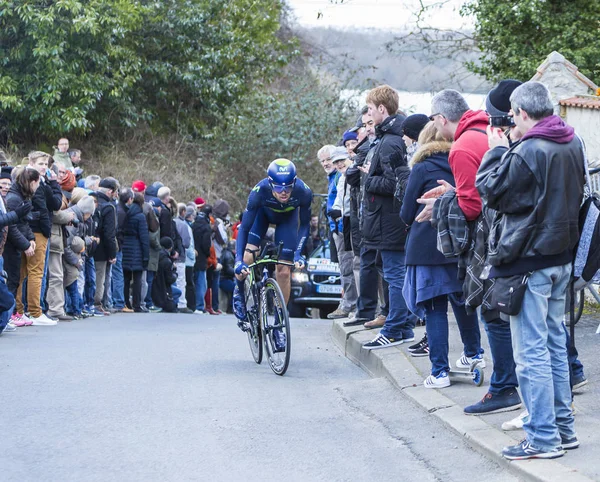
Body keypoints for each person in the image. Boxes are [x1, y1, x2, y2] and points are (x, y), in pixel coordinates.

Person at [477, 81, 584, 460]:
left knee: (532, 353)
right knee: (555, 345)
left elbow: (490, 191)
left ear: (522, 113)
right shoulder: (573, 141)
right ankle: (563, 430)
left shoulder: (526, 150)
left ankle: (542, 438)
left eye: (512, 117)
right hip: (560, 258)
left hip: (528, 262)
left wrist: (496, 150)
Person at [422, 88, 520, 416]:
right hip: (514, 232)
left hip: (492, 240)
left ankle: (505, 386)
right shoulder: (484, 132)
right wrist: (453, 192)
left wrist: (441, 205)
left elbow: (472, 204)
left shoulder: (461, 147)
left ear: (440, 119)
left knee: (493, 313)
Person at [401, 121, 482, 387]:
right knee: (463, 302)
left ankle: (439, 372)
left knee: (435, 307)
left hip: (427, 247)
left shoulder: (421, 168)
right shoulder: (462, 160)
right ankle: (473, 355)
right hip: (460, 243)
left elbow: (405, 213)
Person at [233, 159, 312, 351]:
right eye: (278, 187)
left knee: (284, 271)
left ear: (294, 183)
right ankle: (240, 293)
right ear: (270, 183)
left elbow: (305, 225)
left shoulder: (304, 192)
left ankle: (278, 324)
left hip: (288, 220)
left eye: (288, 187)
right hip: (262, 216)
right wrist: (237, 262)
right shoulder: (258, 192)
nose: (283, 192)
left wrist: (298, 254)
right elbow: (244, 228)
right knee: (248, 258)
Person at [359, 85, 415, 349]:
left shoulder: (391, 140)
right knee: (394, 272)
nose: (368, 114)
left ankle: (394, 328)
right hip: (386, 219)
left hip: (389, 220)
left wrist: (368, 181)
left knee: (395, 274)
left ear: (382, 109)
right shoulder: (390, 136)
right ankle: (402, 328)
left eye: (371, 109)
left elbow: (396, 184)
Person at [4, 167, 42, 325]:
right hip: (10, 246)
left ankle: (12, 313)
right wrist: (25, 244)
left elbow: (23, 222)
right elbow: (11, 226)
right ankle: (9, 315)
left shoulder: (21, 197)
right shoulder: (14, 198)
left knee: (16, 279)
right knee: (11, 279)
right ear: (32, 182)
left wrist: (31, 238)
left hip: (16, 244)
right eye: (38, 183)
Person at [328, 146, 359, 320]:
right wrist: (336, 211)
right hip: (342, 226)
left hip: (354, 226)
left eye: (341, 160)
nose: (339, 164)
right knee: (347, 267)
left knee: (357, 266)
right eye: (336, 162)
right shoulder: (340, 178)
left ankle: (361, 306)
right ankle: (351, 304)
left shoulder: (355, 174)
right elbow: (340, 200)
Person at [122, 193, 150, 312]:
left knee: (126, 278)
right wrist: (146, 256)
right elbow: (144, 237)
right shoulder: (140, 216)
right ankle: (137, 304)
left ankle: (126, 302)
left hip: (126, 247)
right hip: (137, 248)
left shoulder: (126, 213)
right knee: (137, 279)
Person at [151, 237, 178, 313]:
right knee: (178, 291)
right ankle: (172, 304)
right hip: (163, 289)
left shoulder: (156, 257)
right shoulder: (167, 261)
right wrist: (175, 272)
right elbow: (169, 279)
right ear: (170, 247)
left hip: (155, 287)